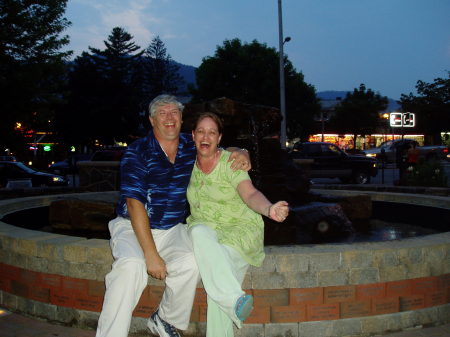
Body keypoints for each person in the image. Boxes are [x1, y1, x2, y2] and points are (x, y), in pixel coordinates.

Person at [95, 95, 251, 337]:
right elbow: (135, 204)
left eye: (174, 113)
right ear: (152, 120)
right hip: (132, 226)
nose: (169, 118)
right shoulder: (137, 152)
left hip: (170, 228)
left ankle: (164, 319)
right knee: (131, 267)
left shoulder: (190, 146)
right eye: (162, 113)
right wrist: (151, 255)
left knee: (191, 261)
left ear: (181, 118)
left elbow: (217, 148)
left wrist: (241, 151)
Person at [186, 112, 289, 337]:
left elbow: (250, 194)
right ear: (193, 135)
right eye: (201, 131)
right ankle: (235, 300)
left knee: (218, 283)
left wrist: (269, 209)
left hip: (239, 232)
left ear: (219, 138)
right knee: (198, 231)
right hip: (208, 232)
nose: (206, 136)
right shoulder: (186, 162)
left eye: (212, 132)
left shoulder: (230, 162)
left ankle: (230, 298)